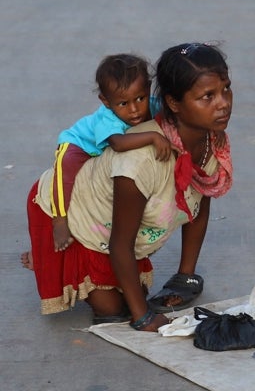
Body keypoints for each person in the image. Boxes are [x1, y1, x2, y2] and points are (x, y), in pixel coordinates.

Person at [25, 43, 234, 330]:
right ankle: (47, 249)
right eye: (207, 96)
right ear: (174, 104)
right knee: (115, 312)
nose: (222, 103)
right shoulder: (137, 160)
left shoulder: (212, 142)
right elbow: (121, 242)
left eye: (226, 89)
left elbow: (199, 203)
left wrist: (185, 277)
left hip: (111, 228)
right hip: (77, 215)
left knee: (133, 295)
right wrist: (142, 316)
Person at [46, 53, 168, 252]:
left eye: (140, 98)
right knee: (64, 171)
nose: (135, 109)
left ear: (148, 88)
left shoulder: (155, 105)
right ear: (106, 101)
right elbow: (118, 143)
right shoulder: (108, 117)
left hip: (105, 158)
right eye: (123, 103)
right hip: (81, 145)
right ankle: (59, 219)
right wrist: (153, 137)